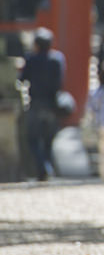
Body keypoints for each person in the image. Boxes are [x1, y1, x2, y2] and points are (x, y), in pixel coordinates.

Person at [19, 27, 65, 180]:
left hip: (36, 103)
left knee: (32, 139)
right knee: (48, 140)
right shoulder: (57, 59)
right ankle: (47, 167)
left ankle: (42, 168)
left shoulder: (31, 59)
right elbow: (60, 82)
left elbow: (22, 78)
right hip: (52, 104)